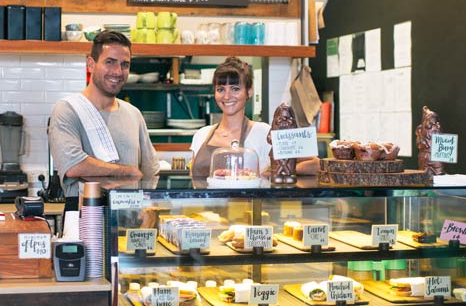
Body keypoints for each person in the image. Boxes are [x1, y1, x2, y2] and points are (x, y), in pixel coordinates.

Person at [49, 31, 159, 209]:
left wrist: (147, 208)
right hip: (85, 215)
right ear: (91, 64)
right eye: (110, 62)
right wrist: (127, 172)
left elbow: (150, 169)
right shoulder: (68, 110)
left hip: (128, 215)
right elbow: (74, 166)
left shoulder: (133, 114)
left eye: (125, 64)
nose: (118, 71)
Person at [190, 57, 318, 178]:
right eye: (221, 89)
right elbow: (193, 180)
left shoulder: (264, 133)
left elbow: (315, 164)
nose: (227, 96)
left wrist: (277, 171)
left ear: (249, 91)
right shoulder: (201, 135)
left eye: (235, 89)